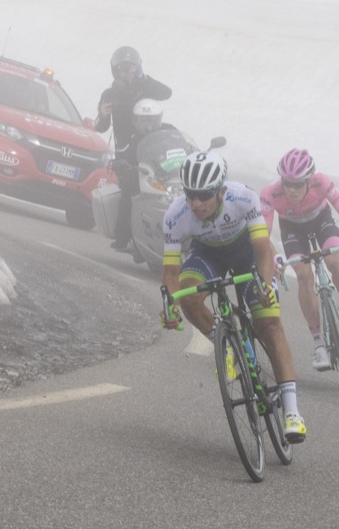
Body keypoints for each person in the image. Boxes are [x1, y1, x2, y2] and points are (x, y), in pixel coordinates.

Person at [160, 151, 307, 443]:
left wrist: (265, 287)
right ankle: (223, 341)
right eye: (191, 194)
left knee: (269, 324)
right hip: (207, 254)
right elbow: (171, 273)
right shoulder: (175, 216)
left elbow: (264, 250)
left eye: (204, 195)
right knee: (189, 294)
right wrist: (171, 305)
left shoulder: (243, 198)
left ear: (222, 191)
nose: (196, 203)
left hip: (246, 252)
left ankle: (292, 411)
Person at [260, 148, 339, 371]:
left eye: (298, 184)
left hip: (321, 221)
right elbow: (263, 235)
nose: (291, 189)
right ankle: (318, 342)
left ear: (309, 179)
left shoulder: (322, 182)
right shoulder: (271, 193)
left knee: (335, 262)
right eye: (287, 183)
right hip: (292, 230)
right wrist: (274, 256)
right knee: (303, 275)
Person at [95, 46, 172, 251]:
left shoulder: (144, 87)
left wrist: (145, 78)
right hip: (125, 153)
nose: (128, 73)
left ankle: (159, 233)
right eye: (123, 70)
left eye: (132, 69)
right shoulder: (109, 94)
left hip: (149, 149)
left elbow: (167, 93)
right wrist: (103, 115)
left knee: (160, 189)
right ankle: (124, 237)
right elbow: (100, 126)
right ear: (116, 72)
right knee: (130, 191)